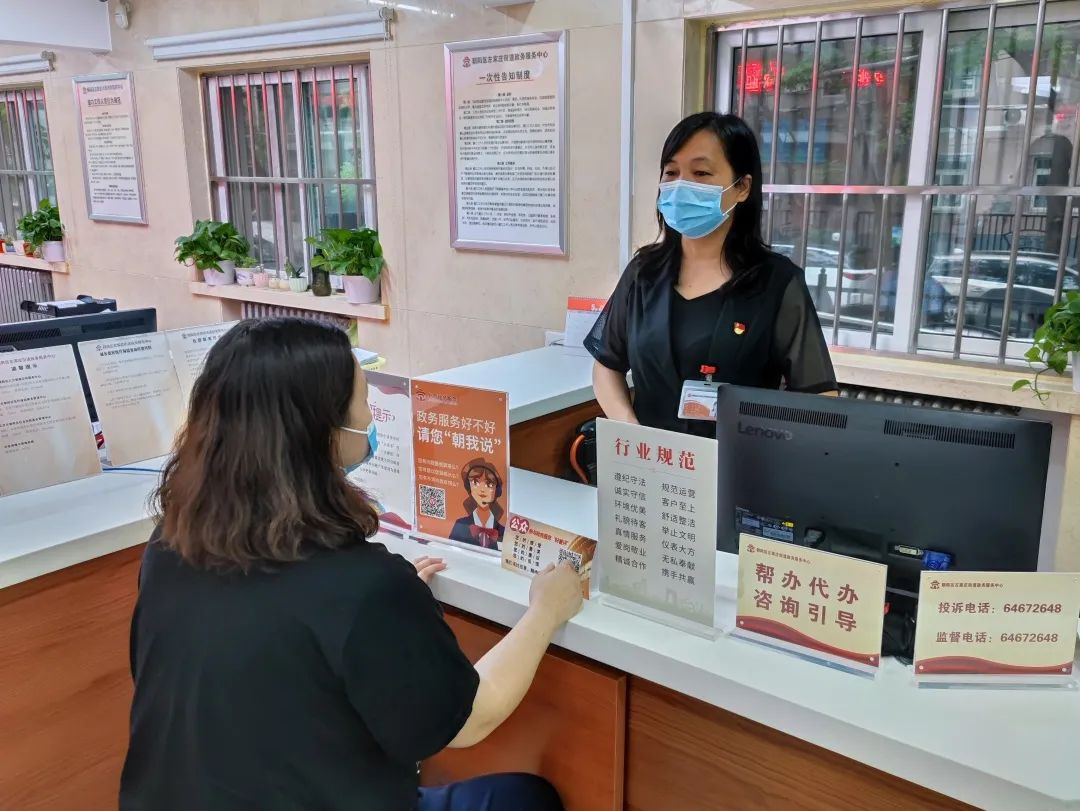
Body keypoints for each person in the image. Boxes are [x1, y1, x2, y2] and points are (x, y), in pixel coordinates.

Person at [120, 318, 583, 811]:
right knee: (525, 798)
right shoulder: (363, 588)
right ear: (323, 431)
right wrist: (545, 611)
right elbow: (472, 719)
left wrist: (385, 618)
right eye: (363, 399)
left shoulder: (167, 548)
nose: (370, 414)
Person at [586, 112, 837, 437]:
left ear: (742, 187)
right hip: (653, 460)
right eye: (671, 172)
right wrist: (631, 430)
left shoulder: (777, 282)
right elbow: (607, 365)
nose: (681, 185)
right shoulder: (643, 274)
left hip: (739, 463)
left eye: (701, 173)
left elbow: (819, 396)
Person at [449, 458, 506, 549]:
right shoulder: (460, 525)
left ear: (497, 490)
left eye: (489, 484)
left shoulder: (504, 531)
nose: (482, 489)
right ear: (469, 487)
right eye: (475, 482)